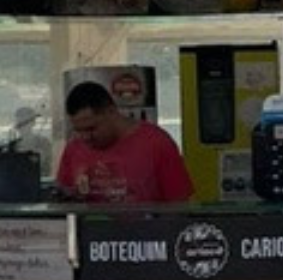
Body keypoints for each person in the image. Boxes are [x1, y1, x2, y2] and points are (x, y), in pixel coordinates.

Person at [54, 82, 193, 203]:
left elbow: (179, 202)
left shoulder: (156, 143)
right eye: (78, 131)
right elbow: (63, 198)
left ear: (111, 112)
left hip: (146, 230)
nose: (85, 137)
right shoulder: (74, 148)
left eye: (91, 129)